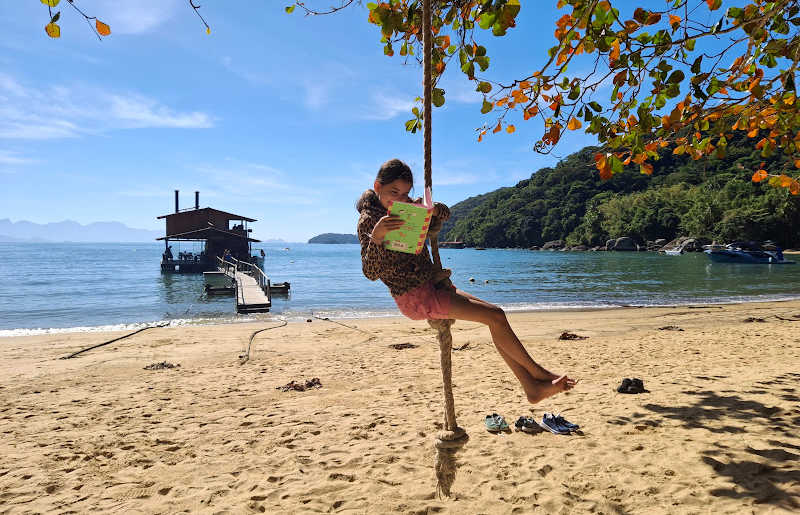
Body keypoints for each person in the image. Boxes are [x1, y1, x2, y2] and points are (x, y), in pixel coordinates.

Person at [356, 159, 577, 405]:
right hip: (415, 297)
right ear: (377, 186)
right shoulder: (369, 220)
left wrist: (433, 209)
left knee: (497, 317)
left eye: (405, 193)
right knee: (495, 316)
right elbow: (370, 272)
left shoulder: (407, 208)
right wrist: (376, 237)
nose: (399, 199)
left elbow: (446, 214)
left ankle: (532, 387)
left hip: (431, 284)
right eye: (393, 193)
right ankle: (538, 375)